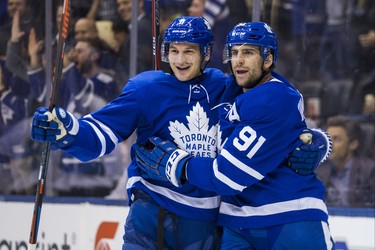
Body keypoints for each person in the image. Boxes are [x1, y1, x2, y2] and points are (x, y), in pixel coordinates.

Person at [30, 16, 330, 249]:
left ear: (207, 53)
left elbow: (275, 109)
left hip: (204, 224)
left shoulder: (225, 87)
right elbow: (100, 136)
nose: (180, 59)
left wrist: (313, 139)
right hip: (151, 211)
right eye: (174, 50)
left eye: (189, 51)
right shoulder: (145, 88)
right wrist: (67, 130)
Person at [134, 21, 335, 249]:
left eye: (248, 52)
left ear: (268, 60)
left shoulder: (274, 97)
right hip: (236, 224)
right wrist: (317, 138)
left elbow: (226, 176)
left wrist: (175, 164)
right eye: (234, 52)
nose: (238, 60)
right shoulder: (229, 89)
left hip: (290, 216)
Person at [316, 115, 375, 208]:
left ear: (353, 144)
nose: (329, 145)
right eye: (327, 139)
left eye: (336, 139)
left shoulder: (369, 171)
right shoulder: (318, 170)